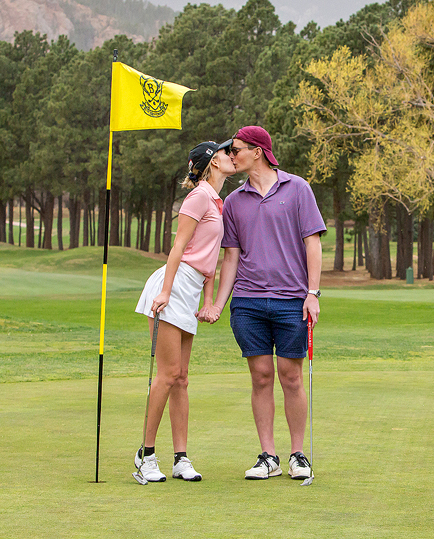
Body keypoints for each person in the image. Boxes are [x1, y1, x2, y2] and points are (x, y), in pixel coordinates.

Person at [202, 125, 325, 481]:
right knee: (260, 377)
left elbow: (312, 244)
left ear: (257, 151)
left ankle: (297, 454)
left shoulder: (298, 188)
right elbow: (231, 258)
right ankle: (267, 456)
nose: (230, 155)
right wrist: (219, 304)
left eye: (236, 149)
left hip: (291, 301)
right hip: (248, 302)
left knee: (291, 377)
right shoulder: (235, 202)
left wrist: (312, 294)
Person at [132, 140, 236, 483]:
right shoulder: (199, 197)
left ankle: (181, 458)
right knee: (167, 374)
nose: (231, 156)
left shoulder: (217, 202)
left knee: (182, 378)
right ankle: (146, 454)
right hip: (172, 288)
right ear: (213, 163)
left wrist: (208, 301)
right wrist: (164, 291)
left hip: (189, 292)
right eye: (225, 153)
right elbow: (178, 248)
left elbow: (210, 262)